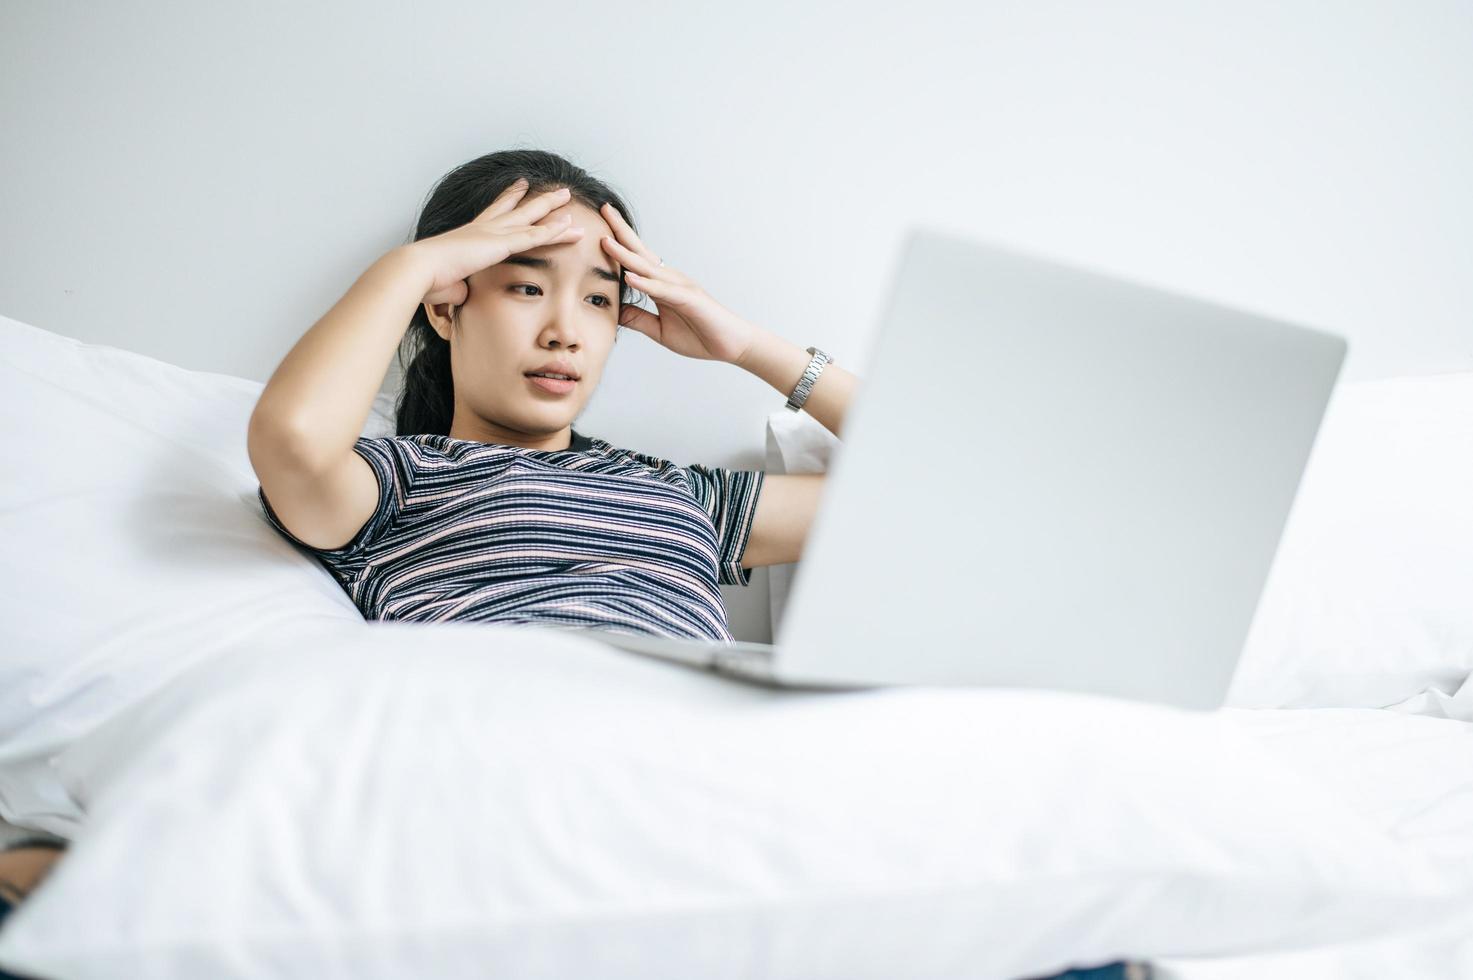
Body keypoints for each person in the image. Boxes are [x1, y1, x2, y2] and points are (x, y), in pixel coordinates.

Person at [249, 148, 853, 640]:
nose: (564, 333)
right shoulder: (395, 484)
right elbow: (295, 440)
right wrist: (409, 270)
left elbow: (935, 491)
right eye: (526, 287)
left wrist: (744, 345)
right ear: (444, 306)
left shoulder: (680, 496)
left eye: (597, 299)